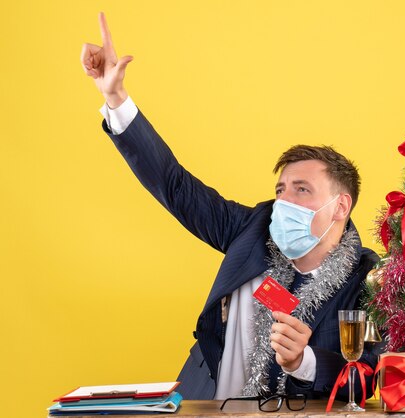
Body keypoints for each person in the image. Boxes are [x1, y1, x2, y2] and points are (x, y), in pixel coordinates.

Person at [81, 12, 380, 401]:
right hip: (206, 402)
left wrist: (303, 361)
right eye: (281, 189)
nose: (284, 200)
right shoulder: (251, 228)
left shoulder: (369, 280)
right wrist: (115, 98)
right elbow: (174, 184)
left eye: (302, 189)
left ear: (341, 206)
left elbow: (372, 376)